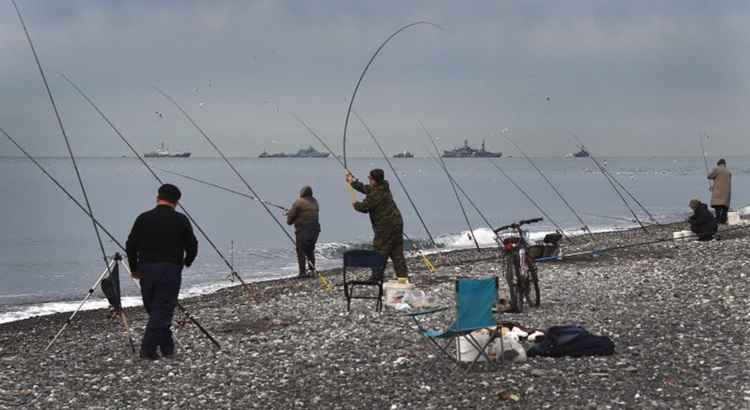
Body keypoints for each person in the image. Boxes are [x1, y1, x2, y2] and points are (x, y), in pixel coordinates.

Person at [126, 184, 198, 360]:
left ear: (158, 198)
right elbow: (192, 245)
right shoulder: (181, 220)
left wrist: (134, 267)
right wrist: (186, 262)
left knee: (155, 308)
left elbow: (131, 245)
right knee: (161, 309)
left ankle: (163, 348)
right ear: (177, 202)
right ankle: (151, 350)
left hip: (147, 269)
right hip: (170, 269)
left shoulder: (143, 218)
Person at [346, 169, 408, 281]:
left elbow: (363, 207)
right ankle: (403, 277)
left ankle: (376, 276)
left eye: (369, 178)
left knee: (379, 251)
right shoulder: (384, 186)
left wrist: (355, 204)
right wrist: (352, 182)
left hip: (385, 227)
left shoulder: (376, 194)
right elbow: (366, 189)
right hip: (397, 223)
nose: (368, 179)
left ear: (374, 180)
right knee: (396, 251)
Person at [286, 186, 320, 278]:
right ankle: (312, 270)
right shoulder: (315, 202)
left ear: (302, 193)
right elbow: (305, 214)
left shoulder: (299, 202)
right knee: (309, 249)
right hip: (315, 230)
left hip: (304, 230)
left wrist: (289, 214)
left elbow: (289, 221)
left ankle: (302, 272)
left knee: (300, 250)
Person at [708, 158, 732, 224]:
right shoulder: (728, 171)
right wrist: (713, 186)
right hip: (727, 192)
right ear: (724, 164)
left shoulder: (717, 169)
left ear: (718, 164)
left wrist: (712, 170)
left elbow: (709, 176)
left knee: (717, 206)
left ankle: (718, 220)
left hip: (718, 192)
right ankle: (723, 220)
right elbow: (723, 181)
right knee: (724, 206)